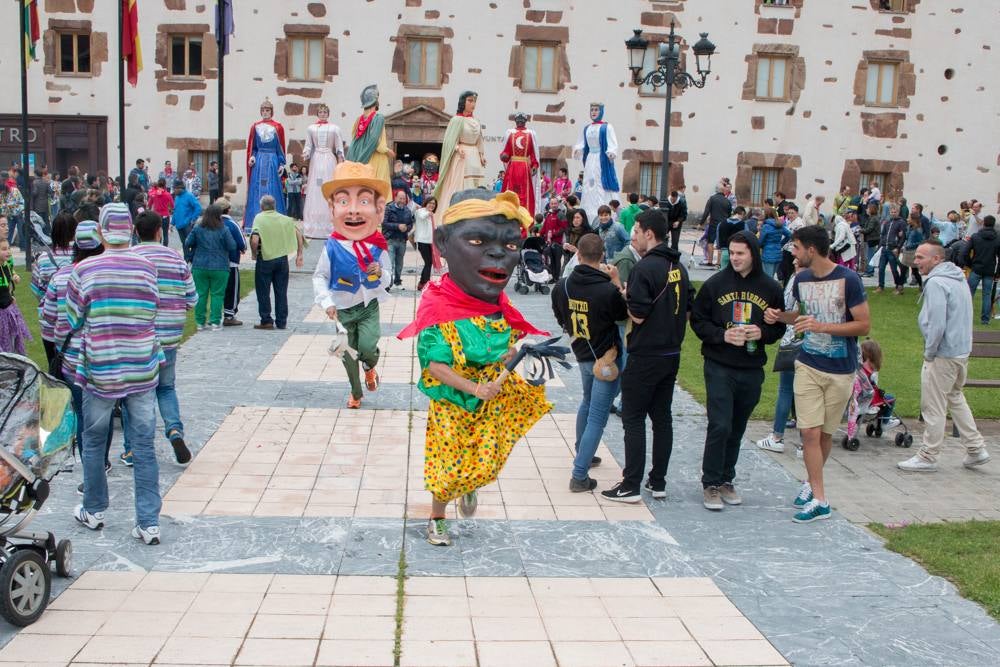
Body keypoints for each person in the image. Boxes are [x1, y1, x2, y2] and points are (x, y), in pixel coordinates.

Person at [397, 189, 550, 546]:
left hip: (489, 398)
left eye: (510, 246)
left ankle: (469, 485)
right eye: (477, 240)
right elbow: (435, 366)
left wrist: (522, 356)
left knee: (486, 457)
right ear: (444, 244)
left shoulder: (498, 304)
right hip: (454, 400)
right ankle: (437, 518)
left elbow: (500, 348)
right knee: (447, 461)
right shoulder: (438, 306)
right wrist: (475, 388)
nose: (497, 255)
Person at [65, 203, 164, 545]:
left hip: (102, 365)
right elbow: (154, 308)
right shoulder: (147, 268)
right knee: (143, 444)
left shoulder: (85, 269)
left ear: (103, 232)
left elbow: (73, 319)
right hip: (141, 365)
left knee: (93, 439)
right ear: (131, 230)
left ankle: (94, 509)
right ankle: (149, 521)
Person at [764, 225, 870, 524]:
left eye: (796, 248)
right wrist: (780, 317)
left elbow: (863, 325)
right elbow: (802, 316)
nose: (793, 254)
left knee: (823, 435)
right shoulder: (801, 279)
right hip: (808, 364)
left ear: (811, 249)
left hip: (840, 369)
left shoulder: (848, 280)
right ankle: (821, 500)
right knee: (808, 432)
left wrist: (823, 327)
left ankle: (812, 484)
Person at [602, 209, 693, 502]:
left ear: (649, 234)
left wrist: (622, 290)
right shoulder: (677, 265)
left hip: (646, 353)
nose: (634, 237)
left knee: (633, 417)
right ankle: (658, 481)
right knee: (662, 417)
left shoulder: (646, 268)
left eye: (637, 231)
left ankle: (630, 484)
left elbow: (638, 316)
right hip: (671, 351)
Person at [692, 231, 784, 510]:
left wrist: (763, 331)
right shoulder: (715, 284)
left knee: (737, 426)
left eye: (740, 253)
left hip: (751, 367)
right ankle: (710, 483)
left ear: (753, 255)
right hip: (719, 365)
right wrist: (721, 336)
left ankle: (725, 479)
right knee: (719, 424)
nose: (734, 258)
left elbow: (778, 327)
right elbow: (698, 321)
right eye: (731, 253)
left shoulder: (770, 287)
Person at [896, 240, 990, 472]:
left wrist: (930, 351)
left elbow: (937, 322)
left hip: (944, 353)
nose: (916, 262)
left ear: (937, 259)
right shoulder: (958, 278)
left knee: (933, 404)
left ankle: (928, 455)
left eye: (920, 257)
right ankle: (976, 449)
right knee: (955, 397)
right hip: (959, 351)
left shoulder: (938, 282)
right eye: (915, 257)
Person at [551, 234, 627, 492]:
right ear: (603, 256)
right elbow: (623, 314)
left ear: (578, 256)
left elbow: (560, 316)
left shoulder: (562, 286)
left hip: (582, 351)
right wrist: (616, 281)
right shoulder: (606, 289)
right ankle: (579, 474)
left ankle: (582, 449)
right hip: (606, 356)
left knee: (587, 401)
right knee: (598, 414)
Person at [312, 162, 390, 408]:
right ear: (333, 207)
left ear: (378, 208)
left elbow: (388, 276)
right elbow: (319, 276)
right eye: (344, 202)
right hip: (343, 309)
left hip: (368, 306)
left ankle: (370, 365)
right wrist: (326, 302)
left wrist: (381, 273)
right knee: (347, 354)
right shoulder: (332, 246)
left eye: (364, 202)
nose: (354, 212)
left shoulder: (378, 244)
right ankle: (356, 393)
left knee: (367, 346)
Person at [125, 211, 197, 466]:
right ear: (160, 231)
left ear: (136, 232)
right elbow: (192, 299)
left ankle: (133, 447)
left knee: (135, 392)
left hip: (137, 337)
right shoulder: (175, 259)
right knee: (166, 388)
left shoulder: (131, 258)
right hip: (168, 335)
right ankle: (174, 429)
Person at [250, 195, 304, 330]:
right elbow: (298, 234)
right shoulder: (285, 219)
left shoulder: (259, 218)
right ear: (274, 206)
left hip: (265, 258)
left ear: (262, 206)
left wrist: (253, 253)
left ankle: (266, 320)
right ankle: (281, 321)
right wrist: (299, 254)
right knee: (281, 291)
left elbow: (255, 239)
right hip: (282, 259)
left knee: (263, 291)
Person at [184, 204, 237, 331]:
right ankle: (215, 321)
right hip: (220, 266)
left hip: (200, 265)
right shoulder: (224, 229)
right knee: (217, 295)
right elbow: (232, 246)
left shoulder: (198, 228)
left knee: (201, 294)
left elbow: (187, 242)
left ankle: (200, 322)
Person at [435, 91, 487, 213]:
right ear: (463, 102)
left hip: (475, 156)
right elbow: (449, 141)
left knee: (477, 185)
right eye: (470, 100)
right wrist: (457, 148)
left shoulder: (476, 121)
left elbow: (479, 139)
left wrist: (481, 155)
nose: (473, 104)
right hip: (462, 157)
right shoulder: (456, 120)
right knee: (461, 185)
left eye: (474, 101)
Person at [302, 103, 346, 238]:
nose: (323, 114)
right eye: (320, 112)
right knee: (315, 189)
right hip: (316, 160)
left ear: (328, 114)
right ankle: (313, 226)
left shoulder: (335, 128)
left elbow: (339, 147)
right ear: (317, 114)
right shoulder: (311, 128)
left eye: (325, 112)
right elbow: (308, 145)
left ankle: (330, 224)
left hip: (329, 159)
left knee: (329, 188)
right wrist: (306, 153)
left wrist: (340, 160)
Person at [244, 98, 288, 231]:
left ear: (271, 112)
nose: (265, 112)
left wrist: (281, 163)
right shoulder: (255, 126)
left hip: (272, 160)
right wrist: (252, 156)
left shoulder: (278, 127)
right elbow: (254, 146)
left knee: (273, 188)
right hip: (260, 160)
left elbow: (280, 147)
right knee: (257, 189)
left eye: (267, 110)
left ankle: (275, 223)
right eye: (263, 110)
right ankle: (254, 221)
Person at [573, 103, 620, 222]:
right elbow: (582, 143)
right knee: (589, 184)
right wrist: (579, 149)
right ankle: (588, 214)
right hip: (590, 159)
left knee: (600, 183)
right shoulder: (586, 128)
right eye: (592, 110)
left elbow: (612, 142)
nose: (593, 112)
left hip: (601, 159)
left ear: (601, 111)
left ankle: (602, 213)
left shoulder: (607, 127)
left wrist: (611, 152)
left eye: (596, 110)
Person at [346, 85, 392, 189]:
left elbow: (354, 140)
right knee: (376, 192)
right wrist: (387, 150)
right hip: (374, 159)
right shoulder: (378, 118)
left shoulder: (359, 120)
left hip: (358, 159)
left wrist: (355, 161)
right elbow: (375, 141)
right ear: (375, 102)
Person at [213, 197, 247, 326]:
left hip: (213, 262)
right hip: (230, 262)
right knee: (232, 289)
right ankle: (229, 315)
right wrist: (242, 249)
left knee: (216, 291)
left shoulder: (209, 223)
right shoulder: (232, 224)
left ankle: (214, 316)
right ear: (229, 210)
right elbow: (242, 243)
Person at [499, 113, 540, 217]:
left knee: (524, 193)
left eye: (522, 120)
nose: (520, 122)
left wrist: (534, 165)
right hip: (512, 167)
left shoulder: (531, 134)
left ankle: (525, 216)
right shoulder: (510, 133)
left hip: (525, 168)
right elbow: (506, 151)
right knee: (511, 190)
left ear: (525, 121)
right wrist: (504, 156)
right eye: (518, 120)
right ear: (515, 121)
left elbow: (533, 154)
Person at [966, 215, 999, 325]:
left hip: (976, 267)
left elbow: (965, 252)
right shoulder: (997, 239)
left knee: (969, 292)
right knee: (987, 295)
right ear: (993, 224)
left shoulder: (976, 237)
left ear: (984, 223)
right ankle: (985, 319)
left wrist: (970, 264)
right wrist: (998, 272)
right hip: (989, 269)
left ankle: (965, 316)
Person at [0, 240, 30, 355]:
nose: (8, 251)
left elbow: (7, 287)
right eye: (4, 249)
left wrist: (11, 296)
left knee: (12, 340)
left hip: (9, 310)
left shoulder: (6, 266)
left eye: (8, 248)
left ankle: (12, 367)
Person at [381, 189, 414, 289]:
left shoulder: (407, 210)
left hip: (402, 240)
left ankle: (398, 282)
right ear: (395, 198)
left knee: (399, 263)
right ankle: (388, 284)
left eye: (404, 198)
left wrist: (406, 228)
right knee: (390, 263)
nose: (402, 200)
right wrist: (398, 226)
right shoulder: (388, 208)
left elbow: (410, 224)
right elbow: (384, 223)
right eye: (400, 198)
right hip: (390, 239)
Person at [699, 184, 732, 267]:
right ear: (723, 191)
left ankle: (710, 261)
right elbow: (729, 214)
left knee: (710, 242)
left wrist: (700, 223)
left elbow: (706, 212)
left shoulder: (712, 199)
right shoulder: (727, 201)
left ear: (716, 190)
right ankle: (718, 262)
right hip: (723, 225)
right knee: (720, 243)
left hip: (713, 223)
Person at [876, 204, 906, 295]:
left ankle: (898, 286)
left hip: (893, 249)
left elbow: (903, 237)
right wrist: (880, 246)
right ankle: (881, 286)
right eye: (891, 212)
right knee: (881, 268)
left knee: (894, 269)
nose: (893, 213)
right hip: (885, 248)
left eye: (895, 212)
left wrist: (898, 247)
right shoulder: (887, 222)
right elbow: (883, 235)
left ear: (898, 212)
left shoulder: (901, 222)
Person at [413, 196, 437, 291]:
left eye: (434, 204)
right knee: (428, 262)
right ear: (426, 203)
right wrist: (429, 213)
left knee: (428, 262)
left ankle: (423, 282)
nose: (432, 205)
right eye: (430, 203)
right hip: (422, 241)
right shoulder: (421, 211)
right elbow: (422, 216)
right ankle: (424, 283)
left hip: (429, 242)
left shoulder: (430, 214)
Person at [759, 207, 791, 279]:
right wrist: (781, 243)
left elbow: (760, 241)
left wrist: (762, 246)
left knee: (767, 278)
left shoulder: (766, 226)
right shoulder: (779, 225)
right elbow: (789, 235)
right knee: (772, 276)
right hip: (778, 253)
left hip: (768, 254)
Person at [170, 181, 202, 246]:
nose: (173, 191)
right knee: (184, 244)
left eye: (174, 189)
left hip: (187, 225)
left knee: (190, 244)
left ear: (180, 188)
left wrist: (193, 219)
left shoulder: (189, 196)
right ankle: (186, 256)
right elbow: (176, 211)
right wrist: (172, 223)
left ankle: (189, 256)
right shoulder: (177, 197)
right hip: (179, 225)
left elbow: (198, 208)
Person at [900, 212, 925, 290]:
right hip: (907, 251)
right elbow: (907, 237)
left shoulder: (918, 230)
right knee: (903, 269)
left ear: (913, 220)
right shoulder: (909, 227)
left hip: (913, 251)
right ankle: (900, 288)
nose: (907, 219)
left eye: (909, 218)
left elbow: (921, 242)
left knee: (915, 271)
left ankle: (921, 286)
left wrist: (911, 245)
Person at [147, 178, 174, 246]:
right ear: (165, 185)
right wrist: (169, 208)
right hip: (165, 215)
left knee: (157, 233)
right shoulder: (168, 194)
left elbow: (149, 205)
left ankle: (158, 247)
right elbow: (173, 205)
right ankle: (165, 248)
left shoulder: (153, 194)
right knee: (165, 234)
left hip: (156, 215)